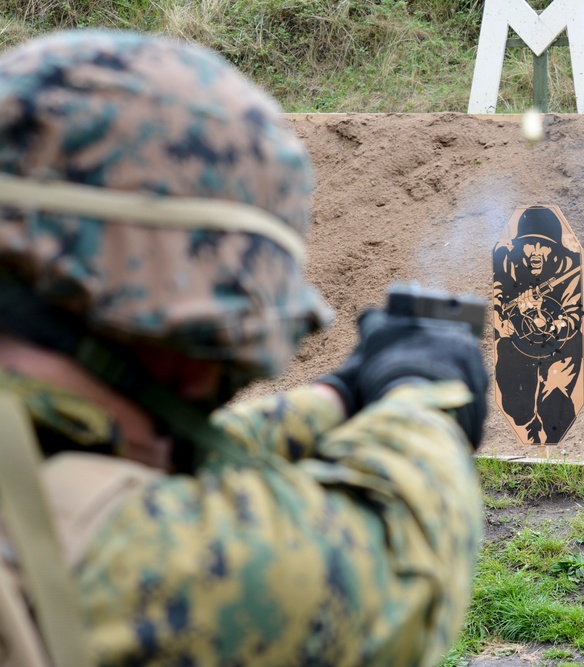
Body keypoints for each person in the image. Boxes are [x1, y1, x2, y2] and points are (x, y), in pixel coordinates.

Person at [0, 30, 486, 667]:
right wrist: (426, 394)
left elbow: (116, 456)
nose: (210, 382)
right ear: (182, 340)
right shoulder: (109, 555)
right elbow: (397, 566)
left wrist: (337, 396)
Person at [492, 206, 583, 444]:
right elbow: (500, 293)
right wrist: (505, 322)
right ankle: (531, 438)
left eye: (543, 245)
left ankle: (559, 452)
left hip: (560, 350)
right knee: (517, 408)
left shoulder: (568, 269)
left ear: (554, 248)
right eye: (530, 244)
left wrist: (547, 322)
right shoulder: (510, 265)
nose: (535, 253)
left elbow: (574, 316)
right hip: (518, 347)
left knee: (554, 402)